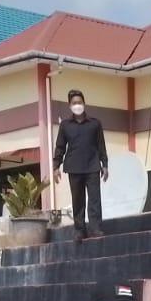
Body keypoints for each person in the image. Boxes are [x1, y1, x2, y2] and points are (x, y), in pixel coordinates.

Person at [52, 90, 108, 241]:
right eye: (74, 103)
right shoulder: (65, 125)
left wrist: (105, 164)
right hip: (74, 168)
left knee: (95, 199)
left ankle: (96, 228)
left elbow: (101, 145)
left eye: (79, 102)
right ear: (70, 105)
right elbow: (60, 146)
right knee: (78, 200)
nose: (77, 105)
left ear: (84, 103)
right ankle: (79, 230)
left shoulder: (95, 123)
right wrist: (56, 166)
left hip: (93, 166)